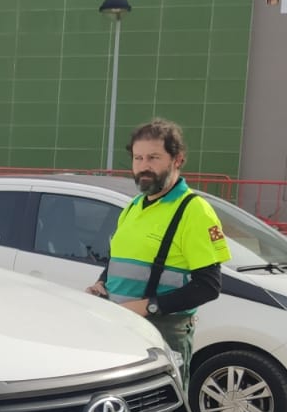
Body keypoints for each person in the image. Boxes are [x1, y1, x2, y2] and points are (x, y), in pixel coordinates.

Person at [86, 119, 231, 389]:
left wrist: (146, 306)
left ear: (177, 160)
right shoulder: (133, 206)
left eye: (154, 157)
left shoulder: (193, 210)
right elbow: (118, 262)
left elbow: (208, 287)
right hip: (121, 325)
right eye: (138, 158)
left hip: (163, 332)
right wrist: (101, 284)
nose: (144, 166)